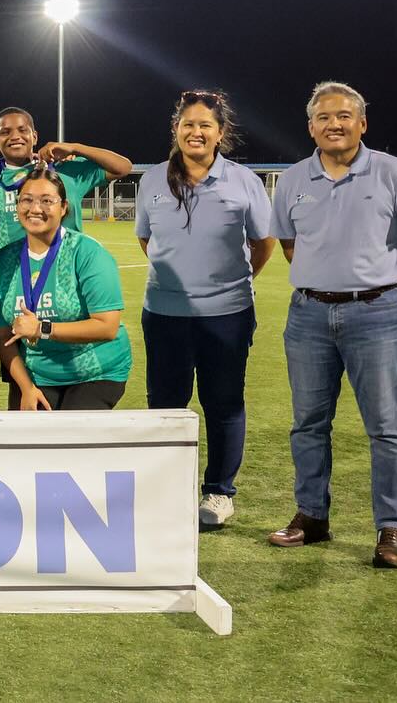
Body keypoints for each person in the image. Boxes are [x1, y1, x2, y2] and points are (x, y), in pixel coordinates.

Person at [267, 81, 397, 569]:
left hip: (377, 313)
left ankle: (391, 528)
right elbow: (290, 244)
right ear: (310, 126)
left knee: (385, 427)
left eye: (344, 116)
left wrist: (389, 293)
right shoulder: (294, 179)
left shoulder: (395, 174)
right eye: (323, 117)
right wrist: (327, 282)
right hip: (309, 314)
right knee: (308, 424)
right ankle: (313, 517)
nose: (333, 124)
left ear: (362, 123)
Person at [136, 90, 274, 528]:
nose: (196, 132)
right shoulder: (152, 180)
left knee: (224, 403)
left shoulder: (244, 181)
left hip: (228, 314)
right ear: (176, 129)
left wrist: (229, 282)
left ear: (220, 133)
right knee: (166, 405)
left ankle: (218, 492)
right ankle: (169, 492)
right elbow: (147, 240)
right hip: (164, 313)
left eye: (205, 125)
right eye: (188, 124)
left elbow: (263, 243)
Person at [0, 167, 132, 412]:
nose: (35, 209)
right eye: (27, 200)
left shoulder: (87, 253)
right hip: (38, 375)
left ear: (64, 207)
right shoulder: (4, 260)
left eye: (47, 201)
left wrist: (43, 329)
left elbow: (107, 326)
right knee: (29, 442)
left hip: (95, 372)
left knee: (72, 439)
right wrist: (26, 387)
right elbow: (3, 336)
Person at [0, 106, 131, 250]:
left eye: (23, 130)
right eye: (5, 132)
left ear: (35, 137)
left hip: (65, 271)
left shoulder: (64, 170)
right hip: (13, 273)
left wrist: (75, 148)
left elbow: (122, 167)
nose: (15, 136)